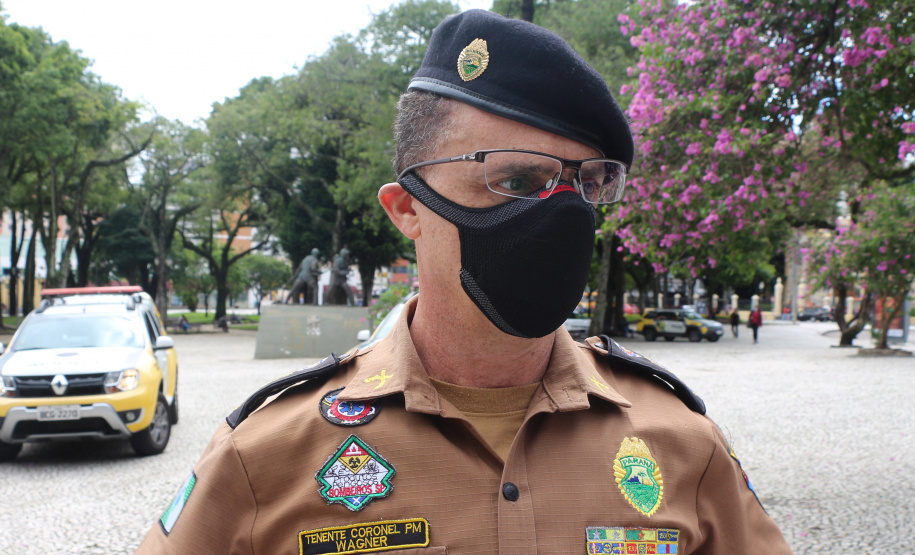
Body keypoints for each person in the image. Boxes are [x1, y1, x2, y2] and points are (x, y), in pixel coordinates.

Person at [137, 10, 790, 554]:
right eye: (514, 181)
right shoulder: (267, 456)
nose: (561, 211)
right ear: (406, 209)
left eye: (585, 183)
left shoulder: (679, 443)